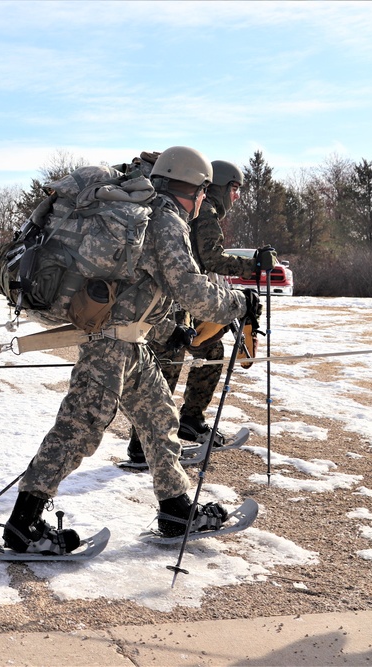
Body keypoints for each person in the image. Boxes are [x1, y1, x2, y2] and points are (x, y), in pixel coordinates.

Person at [1, 146, 262, 553]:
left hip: (131, 342)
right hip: (110, 346)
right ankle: (23, 526)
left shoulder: (151, 215)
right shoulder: (165, 220)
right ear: (194, 189)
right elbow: (190, 288)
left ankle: (176, 509)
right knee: (78, 429)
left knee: (160, 419)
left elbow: (146, 289)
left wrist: (168, 330)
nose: (202, 204)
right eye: (202, 194)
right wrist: (238, 304)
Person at [126, 160, 274, 465]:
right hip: (170, 304)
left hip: (183, 302)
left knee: (211, 350)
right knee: (167, 367)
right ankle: (143, 445)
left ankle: (190, 421)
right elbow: (211, 257)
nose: (236, 197)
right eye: (234, 189)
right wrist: (253, 264)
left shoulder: (201, 210)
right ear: (220, 186)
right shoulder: (204, 212)